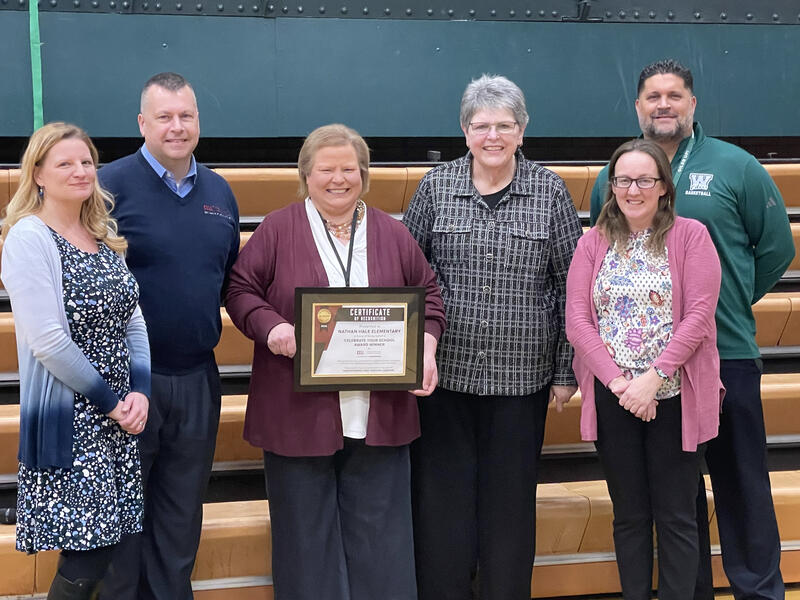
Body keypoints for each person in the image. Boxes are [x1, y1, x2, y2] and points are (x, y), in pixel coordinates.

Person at [589, 59, 794, 600]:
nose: (663, 104)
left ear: (692, 104)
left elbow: (776, 250)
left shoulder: (737, 166)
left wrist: (725, 303)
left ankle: (758, 591)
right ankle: (692, 590)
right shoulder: (618, 173)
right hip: (650, 376)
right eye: (652, 96)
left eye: (674, 95)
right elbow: (600, 263)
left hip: (727, 351)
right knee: (678, 493)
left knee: (742, 483)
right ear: (638, 107)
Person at [225, 123, 446, 600]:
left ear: (364, 174)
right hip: (296, 412)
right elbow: (240, 290)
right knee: (305, 539)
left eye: (349, 169)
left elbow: (428, 298)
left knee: (382, 540)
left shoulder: (392, 231)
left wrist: (426, 347)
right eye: (326, 169)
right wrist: (273, 327)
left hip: (380, 413)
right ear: (306, 174)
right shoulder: (278, 229)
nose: (338, 179)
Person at [403, 74, 583, 600]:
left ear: (522, 131)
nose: (493, 136)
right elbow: (406, 276)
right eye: (482, 126)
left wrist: (565, 369)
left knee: (509, 509)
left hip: (521, 382)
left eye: (505, 126)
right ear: (464, 131)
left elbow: (573, 284)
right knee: (441, 505)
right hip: (445, 381)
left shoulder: (549, 191)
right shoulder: (435, 188)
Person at [98, 72, 240, 600]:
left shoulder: (219, 192)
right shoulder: (107, 187)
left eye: (186, 115)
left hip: (198, 379)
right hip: (127, 386)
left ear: (199, 120)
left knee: (181, 524)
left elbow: (229, 279)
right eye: (164, 117)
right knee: (122, 528)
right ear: (142, 123)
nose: (176, 127)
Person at [568, 138, 723, 599]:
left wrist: (653, 379)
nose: (632, 189)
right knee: (630, 515)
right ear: (611, 186)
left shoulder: (691, 235)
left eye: (644, 180)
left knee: (676, 516)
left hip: (675, 396)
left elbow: (698, 315)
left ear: (663, 188)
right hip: (616, 398)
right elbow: (577, 320)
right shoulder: (592, 242)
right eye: (623, 180)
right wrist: (620, 384)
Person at [1, 122, 150, 599]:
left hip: (117, 416)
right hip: (73, 419)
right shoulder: (29, 237)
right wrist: (112, 402)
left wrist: (140, 390)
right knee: (87, 555)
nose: (80, 171)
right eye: (65, 163)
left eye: (86, 161)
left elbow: (135, 321)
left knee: (103, 546)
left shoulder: (101, 236)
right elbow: (47, 340)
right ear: (38, 174)